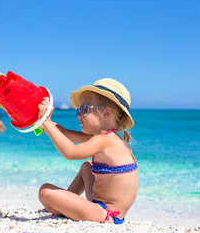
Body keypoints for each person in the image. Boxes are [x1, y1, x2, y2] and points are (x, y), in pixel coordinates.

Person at [37, 78, 137, 224]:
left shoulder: (105, 141)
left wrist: (47, 123)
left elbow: (70, 152)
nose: (78, 114)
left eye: (84, 110)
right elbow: (64, 133)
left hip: (107, 215)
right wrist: (44, 123)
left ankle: (64, 205)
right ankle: (67, 202)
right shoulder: (107, 138)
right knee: (86, 167)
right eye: (78, 110)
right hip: (100, 207)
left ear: (106, 113)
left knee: (45, 191)